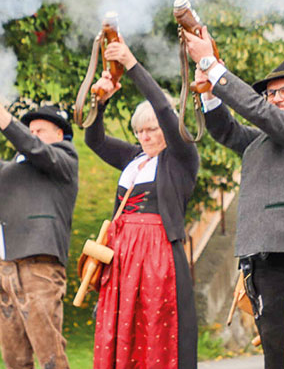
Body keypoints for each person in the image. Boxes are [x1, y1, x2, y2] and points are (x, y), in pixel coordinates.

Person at [186, 32, 284, 368]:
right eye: (271, 93)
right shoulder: (268, 141)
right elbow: (227, 131)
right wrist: (209, 92)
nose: (275, 98)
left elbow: (260, 113)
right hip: (266, 267)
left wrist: (211, 65)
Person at [84, 37, 199, 369]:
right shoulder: (134, 158)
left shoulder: (181, 158)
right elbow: (93, 140)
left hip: (157, 258)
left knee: (154, 331)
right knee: (121, 330)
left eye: (152, 130)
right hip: (121, 257)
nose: (145, 137)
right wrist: (100, 102)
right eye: (140, 132)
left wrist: (130, 64)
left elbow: (163, 109)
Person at [0, 79, 79, 369]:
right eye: (31, 130)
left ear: (60, 134)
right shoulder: (16, 166)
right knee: (14, 358)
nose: (33, 134)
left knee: (50, 355)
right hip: (6, 268)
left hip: (40, 268)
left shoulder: (65, 158)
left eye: (40, 130)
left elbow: (31, 146)